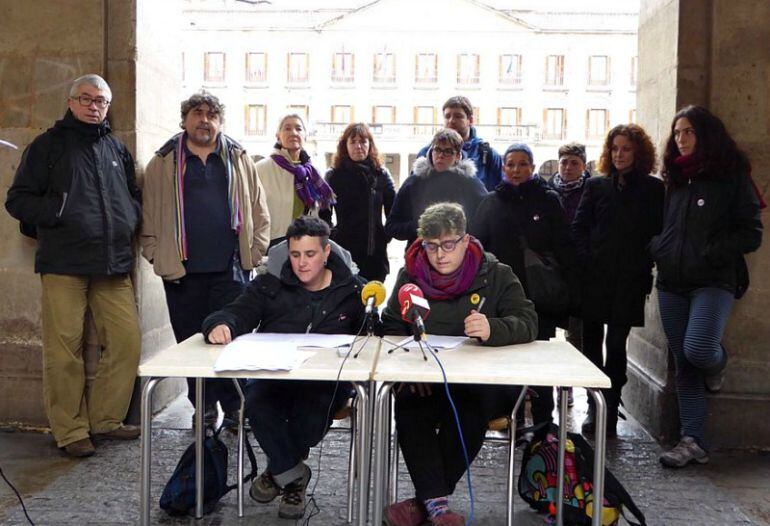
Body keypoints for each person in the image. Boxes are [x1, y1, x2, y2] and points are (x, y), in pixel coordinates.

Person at [5, 74, 141, 457]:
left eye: (101, 100)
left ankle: (105, 420)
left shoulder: (116, 148)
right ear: (71, 102)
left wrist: (130, 216)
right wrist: (59, 212)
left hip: (111, 265)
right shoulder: (47, 146)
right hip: (64, 264)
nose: (94, 105)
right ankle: (70, 430)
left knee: (127, 341)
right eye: (86, 98)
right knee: (65, 350)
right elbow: (18, 201)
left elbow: (131, 196)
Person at [381, 203, 538, 526]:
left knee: (470, 410)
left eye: (448, 244)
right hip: (427, 376)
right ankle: (437, 505)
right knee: (410, 405)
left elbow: (528, 321)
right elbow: (392, 325)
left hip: (482, 382)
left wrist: (494, 328)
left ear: (466, 240)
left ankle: (428, 503)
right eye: (431, 245)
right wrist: (411, 367)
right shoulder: (411, 275)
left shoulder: (495, 274)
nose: (440, 254)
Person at [202, 216, 365, 519]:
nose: (302, 263)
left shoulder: (352, 291)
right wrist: (221, 324)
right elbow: (237, 312)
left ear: (326, 252)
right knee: (256, 404)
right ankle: (294, 477)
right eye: (295, 254)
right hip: (273, 374)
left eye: (310, 254)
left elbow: (374, 333)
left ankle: (279, 471)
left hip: (325, 381)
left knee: (310, 416)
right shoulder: (269, 285)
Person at [141, 91, 270, 428]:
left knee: (231, 343)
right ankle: (204, 406)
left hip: (231, 271)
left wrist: (254, 252)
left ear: (220, 122)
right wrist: (155, 254)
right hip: (182, 272)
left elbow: (259, 208)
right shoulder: (164, 161)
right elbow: (148, 215)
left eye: (212, 114)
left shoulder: (239, 158)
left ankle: (235, 409)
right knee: (191, 345)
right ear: (184, 120)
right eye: (197, 113)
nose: (204, 120)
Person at [651, 106, 762, 467]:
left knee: (699, 351)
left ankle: (718, 364)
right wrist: (660, 249)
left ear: (706, 135)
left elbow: (751, 233)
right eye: (677, 132)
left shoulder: (731, 178)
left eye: (688, 132)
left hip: (713, 281)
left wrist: (712, 251)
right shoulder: (675, 179)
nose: (680, 139)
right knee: (683, 360)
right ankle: (692, 440)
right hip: (671, 281)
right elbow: (660, 225)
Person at [471, 143, 575, 426]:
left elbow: (564, 246)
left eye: (522, 164)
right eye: (510, 164)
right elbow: (477, 248)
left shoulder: (548, 200)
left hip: (540, 295)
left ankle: (543, 423)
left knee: (540, 358)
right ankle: (512, 418)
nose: (516, 170)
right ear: (503, 168)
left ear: (532, 167)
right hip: (503, 296)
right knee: (507, 357)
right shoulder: (491, 202)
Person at [572, 124, 664, 437]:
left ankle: (610, 408)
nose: (620, 154)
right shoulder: (597, 186)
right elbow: (580, 228)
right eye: (615, 148)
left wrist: (644, 261)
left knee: (616, 344)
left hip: (629, 279)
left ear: (638, 152)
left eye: (626, 148)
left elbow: (658, 231)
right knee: (591, 344)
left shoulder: (653, 189)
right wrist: (586, 261)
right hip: (595, 279)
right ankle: (593, 405)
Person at [386, 128, 487, 248]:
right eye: (437, 149)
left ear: (458, 156)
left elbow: (485, 224)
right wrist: (421, 226)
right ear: (431, 151)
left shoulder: (471, 184)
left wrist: (456, 230)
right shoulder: (414, 182)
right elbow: (392, 226)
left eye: (448, 151)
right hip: (420, 255)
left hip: (459, 257)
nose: (440, 155)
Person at [320, 122, 396, 281]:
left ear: (370, 145)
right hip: (343, 253)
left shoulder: (381, 175)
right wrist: (333, 236)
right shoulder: (334, 176)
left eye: (363, 141)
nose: (358, 146)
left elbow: (394, 212)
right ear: (345, 146)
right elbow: (323, 214)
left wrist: (384, 235)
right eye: (353, 142)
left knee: (371, 302)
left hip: (374, 254)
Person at [548, 141, 592, 406]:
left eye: (574, 162)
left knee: (577, 334)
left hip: (578, 272)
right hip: (552, 271)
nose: (568, 167)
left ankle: (569, 388)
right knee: (550, 333)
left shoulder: (592, 190)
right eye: (564, 161)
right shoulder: (548, 190)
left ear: (584, 166)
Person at [256, 114, 334, 246]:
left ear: (305, 136)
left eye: (298, 129)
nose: (293, 132)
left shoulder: (314, 172)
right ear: (278, 136)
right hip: (272, 244)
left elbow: (319, 214)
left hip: (306, 245)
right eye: (287, 128)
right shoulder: (260, 170)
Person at [415, 96, 502, 191]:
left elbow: (497, 197)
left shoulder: (488, 155)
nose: (451, 121)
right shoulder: (426, 153)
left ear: (471, 120)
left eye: (458, 116)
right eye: (447, 116)